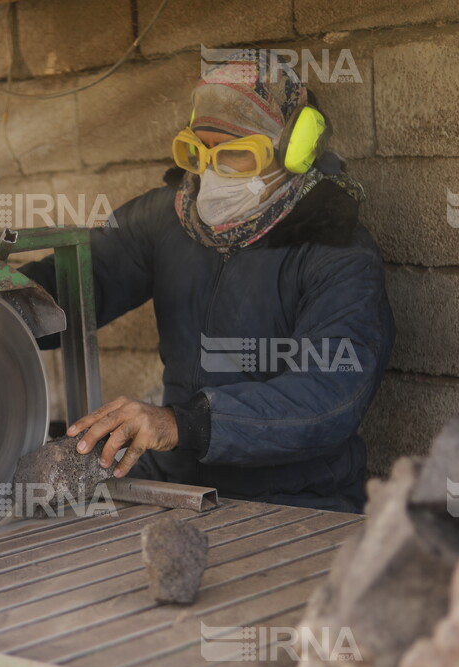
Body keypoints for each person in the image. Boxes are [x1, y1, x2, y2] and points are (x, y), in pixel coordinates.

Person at [22, 52, 395, 520]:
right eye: (198, 151)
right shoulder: (168, 218)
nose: (211, 173)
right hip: (179, 485)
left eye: (236, 153)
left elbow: (327, 397)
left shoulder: (336, 251)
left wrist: (183, 424)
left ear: (292, 150)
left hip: (297, 501)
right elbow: (73, 287)